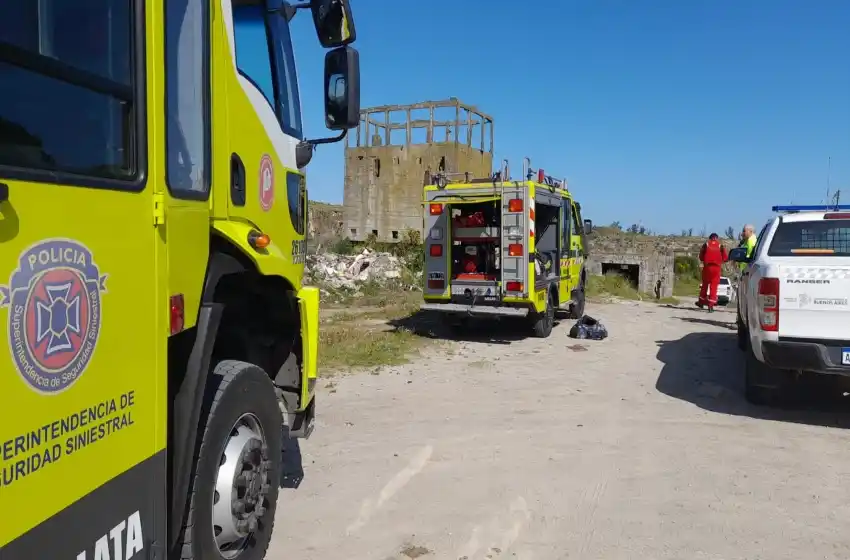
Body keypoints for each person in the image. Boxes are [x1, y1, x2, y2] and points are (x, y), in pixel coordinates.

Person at [696, 233, 728, 312]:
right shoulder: (721, 246)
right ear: (717, 238)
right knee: (714, 287)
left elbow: (701, 257)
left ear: (710, 238)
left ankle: (701, 302)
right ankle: (711, 306)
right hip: (716, 268)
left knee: (705, 285)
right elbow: (725, 258)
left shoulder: (706, 245)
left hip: (707, 267)